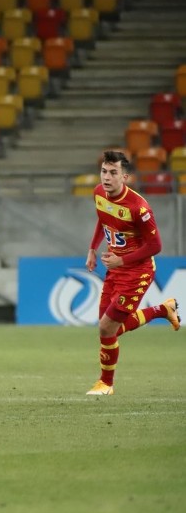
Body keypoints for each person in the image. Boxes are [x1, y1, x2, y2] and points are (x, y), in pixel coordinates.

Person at [85, 150, 180, 395]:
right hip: (115, 269)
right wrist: (92, 249)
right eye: (104, 171)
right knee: (109, 328)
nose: (107, 177)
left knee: (106, 328)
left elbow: (155, 246)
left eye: (113, 173)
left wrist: (122, 260)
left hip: (137, 272)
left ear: (124, 177)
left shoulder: (139, 208)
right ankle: (162, 309)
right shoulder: (98, 193)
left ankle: (106, 383)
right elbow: (103, 219)